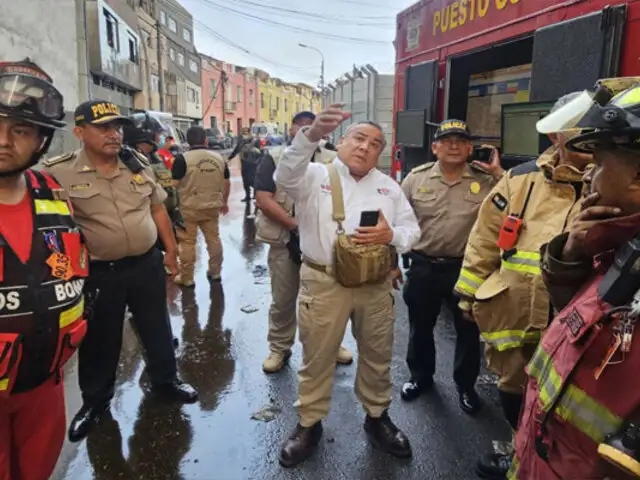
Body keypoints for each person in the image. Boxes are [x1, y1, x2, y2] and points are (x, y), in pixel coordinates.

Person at [451, 95, 593, 479]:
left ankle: (554, 460)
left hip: (574, 316)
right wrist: (467, 293)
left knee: (568, 394)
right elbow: (484, 238)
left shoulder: (612, 181)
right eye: (571, 128)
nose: (579, 137)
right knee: (513, 382)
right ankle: (518, 447)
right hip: (513, 309)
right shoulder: (519, 179)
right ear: (555, 135)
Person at [43, 100, 198, 443]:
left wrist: (171, 252)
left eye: (117, 126)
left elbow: (157, 208)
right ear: (79, 132)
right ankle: (95, 403)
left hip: (145, 265)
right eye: (103, 127)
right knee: (100, 339)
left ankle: (166, 381)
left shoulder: (136, 163)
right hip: (99, 273)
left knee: (157, 326)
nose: (114, 134)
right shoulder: (57, 172)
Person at [507, 80, 640, 479]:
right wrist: (573, 253)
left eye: (599, 165)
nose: (589, 179)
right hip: (545, 454)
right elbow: (578, 316)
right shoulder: (622, 244)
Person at [275, 105, 420, 467]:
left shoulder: (389, 187)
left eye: (375, 143)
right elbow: (284, 174)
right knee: (318, 355)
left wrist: (393, 235)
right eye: (358, 138)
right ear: (340, 141)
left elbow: (413, 231)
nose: (365, 147)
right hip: (324, 281)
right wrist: (307, 136)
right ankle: (309, 423)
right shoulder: (312, 175)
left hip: (374, 284)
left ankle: (377, 417)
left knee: (377, 353)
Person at [0, 59, 88, 480]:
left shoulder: (50, 191)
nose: (3, 141)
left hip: (43, 385)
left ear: (39, 140)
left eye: (19, 129)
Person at [398, 119, 504, 415]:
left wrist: (499, 174)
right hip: (423, 266)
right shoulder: (415, 179)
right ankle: (420, 378)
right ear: (435, 148)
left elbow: (518, 204)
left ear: (471, 148)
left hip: (467, 269)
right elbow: (397, 221)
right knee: (420, 327)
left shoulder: (487, 181)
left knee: (468, 331)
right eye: (446, 141)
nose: (454, 146)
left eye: (461, 141)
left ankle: (466, 386)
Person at [254, 111, 353, 373]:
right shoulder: (274, 158)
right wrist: (297, 226)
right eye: (302, 128)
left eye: (314, 128)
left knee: (327, 301)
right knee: (283, 300)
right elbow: (264, 200)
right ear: (292, 130)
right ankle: (279, 348)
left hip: (323, 245)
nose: (309, 132)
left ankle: (332, 346)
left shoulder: (334, 160)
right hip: (285, 242)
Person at [172, 125, 230, 286]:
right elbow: (226, 182)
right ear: (205, 139)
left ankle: (187, 277)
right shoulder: (219, 158)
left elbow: (174, 184)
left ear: (188, 141)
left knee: (187, 243)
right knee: (214, 239)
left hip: (188, 208)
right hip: (212, 206)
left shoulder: (182, 159)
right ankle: (215, 272)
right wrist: (224, 202)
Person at [123, 112, 183, 234]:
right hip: (148, 227)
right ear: (146, 135)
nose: (159, 138)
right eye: (158, 134)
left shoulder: (155, 158)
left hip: (167, 220)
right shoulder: (129, 163)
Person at [230, 127, 257, 201]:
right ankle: (248, 196)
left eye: (246, 132)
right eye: (244, 132)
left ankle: (255, 194)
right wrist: (229, 158)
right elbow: (236, 150)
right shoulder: (242, 141)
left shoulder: (253, 141)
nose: (245, 134)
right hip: (246, 162)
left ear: (249, 132)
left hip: (252, 163)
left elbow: (259, 151)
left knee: (251, 179)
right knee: (246, 180)